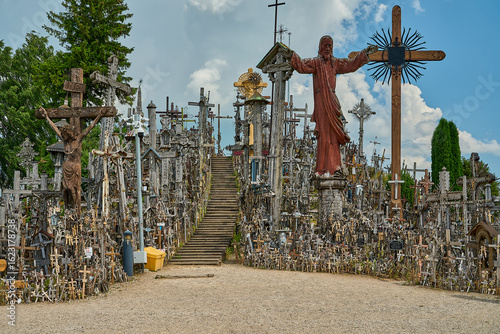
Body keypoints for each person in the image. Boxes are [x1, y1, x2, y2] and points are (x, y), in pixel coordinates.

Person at [290, 35, 377, 176]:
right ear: (320, 47)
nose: (328, 48)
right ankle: (322, 168)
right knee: (324, 137)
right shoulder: (315, 63)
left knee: (334, 138)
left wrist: (365, 54)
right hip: (322, 105)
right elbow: (301, 65)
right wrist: (291, 55)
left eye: (330, 45)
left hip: (332, 103)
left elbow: (350, 64)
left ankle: (335, 167)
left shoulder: (335, 63)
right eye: (325, 45)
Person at [38, 107, 105, 209]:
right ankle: (66, 208)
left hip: (74, 168)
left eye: (64, 134)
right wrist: (46, 117)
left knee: (75, 190)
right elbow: (55, 128)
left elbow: (89, 128)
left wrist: (99, 116)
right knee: (65, 189)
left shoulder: (77, 140)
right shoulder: (65, 141)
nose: (62, 136)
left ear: (68, 133)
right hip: (66, 167)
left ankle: (76, 208)